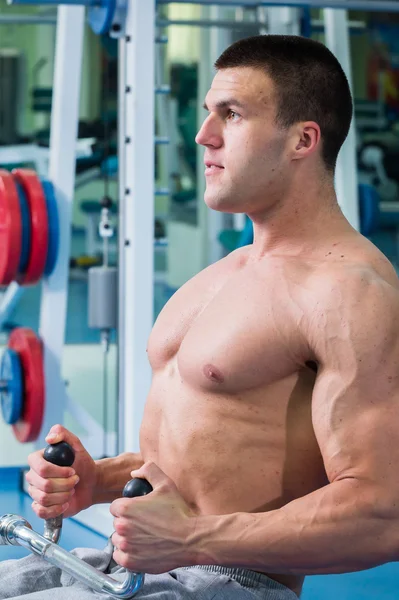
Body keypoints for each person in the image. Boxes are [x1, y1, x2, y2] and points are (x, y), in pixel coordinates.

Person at [1, 34, 399, 600]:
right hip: (128, 564)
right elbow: (208, 463)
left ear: (302, 139)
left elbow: (383, 512)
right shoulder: (228, 273)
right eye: (207, 113)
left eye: (231, 115)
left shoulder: (351, 293)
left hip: (223, 582)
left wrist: (194, 538)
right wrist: (96, 482)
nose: (203, 135)